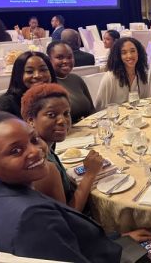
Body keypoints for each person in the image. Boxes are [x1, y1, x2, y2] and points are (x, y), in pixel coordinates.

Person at [0, 109, 151, 262]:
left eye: (33, 140)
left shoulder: (5, 196)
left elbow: (73, 241)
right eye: (16, 151)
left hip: (102, 249)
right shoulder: (30, 218)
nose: (36, 150)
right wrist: (123, 248)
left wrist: (118, 240)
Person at [21, 83, 102, 213]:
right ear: (31, 120)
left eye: (66, 113)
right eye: (52, 115)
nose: (62, 121)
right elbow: (68, 216)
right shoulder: (43, 166)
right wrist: (90, 174)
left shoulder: (43, 145)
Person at [0, 51, 57, 118]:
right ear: (18, 75)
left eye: (43, 70)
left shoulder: (57, 98)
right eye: (29, 71)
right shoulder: (4, 105)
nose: (37, 75)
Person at [95, 37, 150, 110]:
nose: (129, 56)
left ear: (138, 53)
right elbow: (99, 108)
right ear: (118, 56)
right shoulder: (110, 78)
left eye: (133, 51)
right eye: (124, 53)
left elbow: (147, 101)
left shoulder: (142, 75)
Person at [47, 41, 95, 123]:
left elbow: (92, 109)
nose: (66, 61)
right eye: (60, 57)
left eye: (69, 57)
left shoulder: (76, 79)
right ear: (49, 60)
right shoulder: (48, 85)